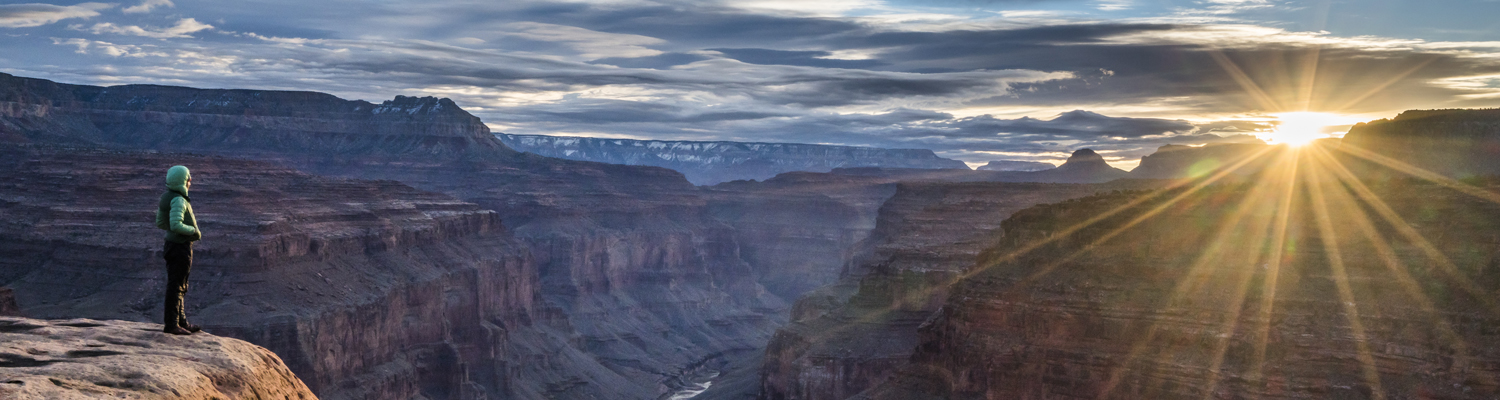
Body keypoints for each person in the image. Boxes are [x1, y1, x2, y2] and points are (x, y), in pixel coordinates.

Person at [155, 165, 202, 335]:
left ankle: (181, 322)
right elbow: (176, 224)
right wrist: (193, 232)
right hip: (180, 247)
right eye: (189, 178)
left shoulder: (166, 197)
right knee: (176, 286)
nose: (191, 182)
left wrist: (172, 231)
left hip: (170, 245)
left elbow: (161, 223)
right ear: (183, 180)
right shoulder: (179, 200)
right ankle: (172, 324)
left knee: (179, 284)